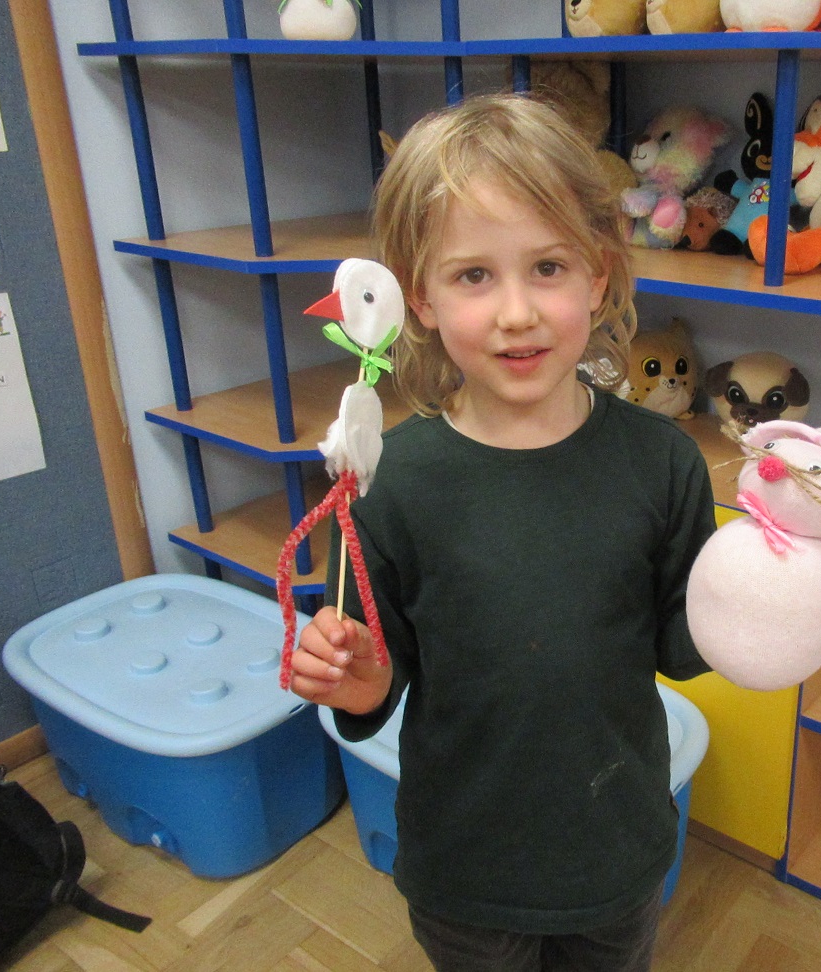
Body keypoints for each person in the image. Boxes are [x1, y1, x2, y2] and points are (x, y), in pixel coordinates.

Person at [287, 92, 718, 972]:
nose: (516, 312)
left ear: (599, 276)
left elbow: (686, 650)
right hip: (463, 874)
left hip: (618, 856)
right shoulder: (386, 483)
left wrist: (773, 597)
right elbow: (376, 686)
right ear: (420, 297)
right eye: (473, 276)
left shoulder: (664, 462)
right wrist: (357, 682)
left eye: (548, 267)